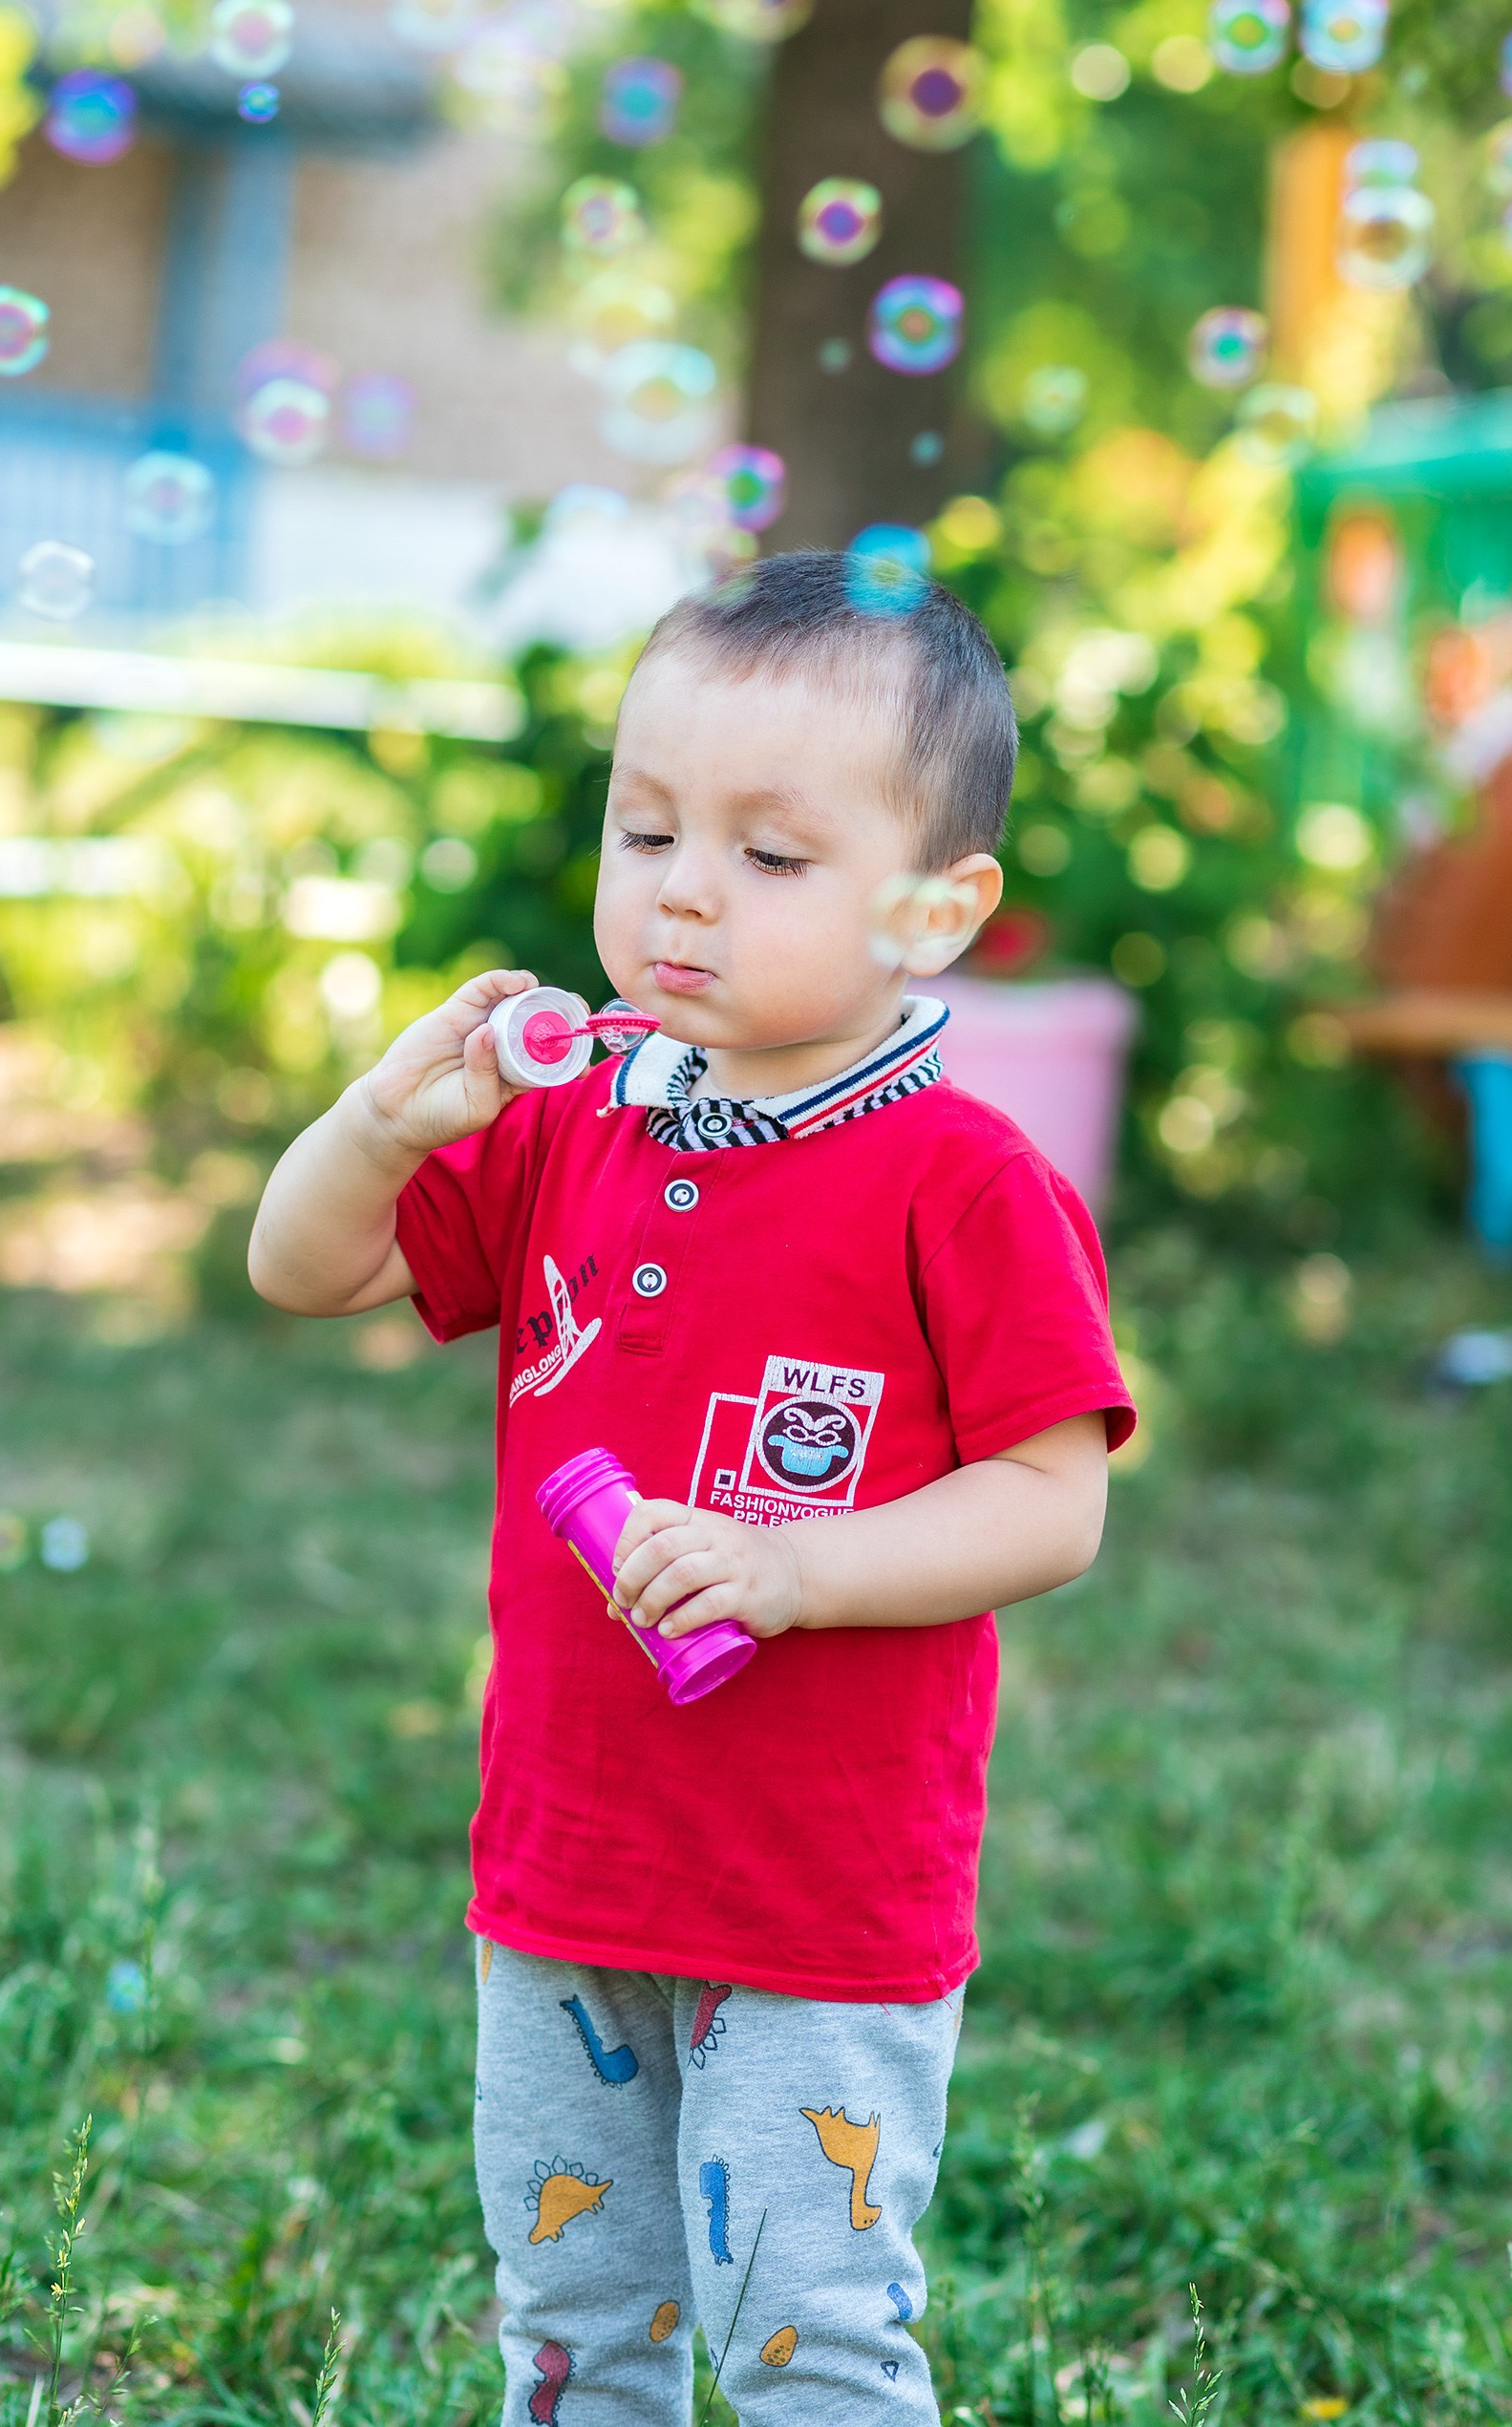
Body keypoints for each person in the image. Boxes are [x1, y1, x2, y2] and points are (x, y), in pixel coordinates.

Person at [248, 550, 1134, 2425]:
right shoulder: (570, 1119)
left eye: (772, 856)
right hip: (566, 1866)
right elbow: (302, 1272)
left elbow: (1052, 1504)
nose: (682, 894)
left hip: (816, 1898)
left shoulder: (962, 1183)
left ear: (938, 908)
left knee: (801, 2334)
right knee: (577, 2319)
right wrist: (372, 1126)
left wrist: (791, 1568)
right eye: (644, 829)